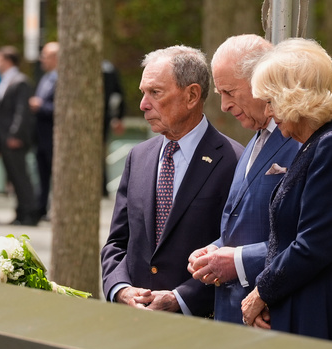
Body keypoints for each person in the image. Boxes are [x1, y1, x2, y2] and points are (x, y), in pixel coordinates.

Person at [240, 38, 332, 349]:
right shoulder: (326, 142)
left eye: (271, 100)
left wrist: (261, 292)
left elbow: (314, 244)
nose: (268, 111)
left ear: (295, 96)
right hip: (316, 308)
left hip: (325, 314)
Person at [100, 45, 242, 316]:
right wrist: (120, 288)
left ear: (191, 95)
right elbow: (117, 242)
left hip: (201, 328)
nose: (143, 104)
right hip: (136, 323)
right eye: (144, 93)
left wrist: (182, 298)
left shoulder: (235, 161)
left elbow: (236, 251)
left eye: (155, 93)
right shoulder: (138, 157)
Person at [187, 34, 300, 324]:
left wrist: (237, 261)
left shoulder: (301, 140)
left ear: (262, 80)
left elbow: (308, 239)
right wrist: (215, 249)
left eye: (230, 92)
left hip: (272, 315)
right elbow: (244, 221)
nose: (223, 105)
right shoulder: (254, 140)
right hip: (235, 315)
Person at [0, 46, 39, 226]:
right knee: (13, 178)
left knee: (20, 177)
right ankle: (20, 213)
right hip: (3, 140)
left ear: (8, 61)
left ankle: (30, 213)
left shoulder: (20, 81)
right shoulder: (4, 81)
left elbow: (21, 111)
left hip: (14, 140)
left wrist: (15, 134)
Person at [30, 42, 59, 221]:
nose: (42, 59)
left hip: (54, 137)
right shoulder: (45, 78)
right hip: (40, 137)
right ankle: (41, 209)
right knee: (41, 174)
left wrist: (41, 106)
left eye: (45, 55)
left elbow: (64, 109)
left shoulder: (62, 79)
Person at [102, 59, 126, 195]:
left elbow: (117, 94)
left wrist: (117, 117)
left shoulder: (107, 69)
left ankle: (102, 188)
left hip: (104, 120)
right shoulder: (108, 68)